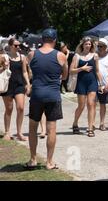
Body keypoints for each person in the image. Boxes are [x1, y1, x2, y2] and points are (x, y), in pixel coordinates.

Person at [25, 28, 68, 170]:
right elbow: (65, 76)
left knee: (33, 128)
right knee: (51, 129)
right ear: (54, 40)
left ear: (42, 40)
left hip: (37, 95)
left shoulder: (32, 54)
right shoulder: (61, 56)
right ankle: (49, 162)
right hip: (53, 96)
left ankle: (33, 160)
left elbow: (29, 70)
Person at [70, 37, 102, 137]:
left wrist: (101, 84)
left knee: (91, 104)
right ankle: (75, 123)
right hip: (81, 83)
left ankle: (90, 128)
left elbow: (97, 70)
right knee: (81, 106)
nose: (88, 45)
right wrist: (81, 68)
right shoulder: (77, 56)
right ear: (82, 45)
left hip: (92, 82)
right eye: (86, 44)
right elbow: (71, 70)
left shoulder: (95, 55)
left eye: (89, 44)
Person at [1, 38, 31, 141]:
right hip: (8, 86)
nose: (18, 47)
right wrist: (3, 67)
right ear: (10, 46)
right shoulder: (4, 57)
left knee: (21, 108)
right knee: (9, 109)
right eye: (16, 45)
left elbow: (24, 72)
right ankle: (7, 132)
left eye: (19, 45)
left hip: (19, 85)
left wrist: (28, 84)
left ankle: (19, 132)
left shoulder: (22, 57)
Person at [96, 38, 108, 131]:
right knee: (91, 104)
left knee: (102, 104)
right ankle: (91, 123)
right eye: (98, 46)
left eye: (101, 46)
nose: (99, 48)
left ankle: (102, 123)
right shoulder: (94, 56)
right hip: (93, 83)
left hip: (105, 84)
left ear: (106, 47)